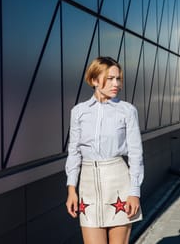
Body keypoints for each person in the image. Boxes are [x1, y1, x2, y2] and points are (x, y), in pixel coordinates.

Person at [65, 56, 144, 244]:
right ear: (93, 80)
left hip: (119, 184)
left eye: (118, 78)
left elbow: (135, 153)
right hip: (88, 186)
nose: (116, 83)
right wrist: (71, 190)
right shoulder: (78, 112)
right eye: (109, 78)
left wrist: (134, 192)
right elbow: (74, 152)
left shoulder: (127, 110)